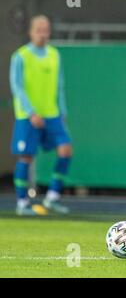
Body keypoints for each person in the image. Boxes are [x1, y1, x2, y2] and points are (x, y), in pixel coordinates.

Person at [10, 15, 72, 216]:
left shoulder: (54, 55)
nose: (43, 34)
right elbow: (17, 87)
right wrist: (30, 112)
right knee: (26, 156)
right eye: (39, 30)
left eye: (46, 30)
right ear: (31, 32)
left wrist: (63, 112)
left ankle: (52, 197)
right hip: (28, 117)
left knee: (65, 151)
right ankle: (22, 203)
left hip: (52, 114)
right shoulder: (20, 56)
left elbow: (60, 86)